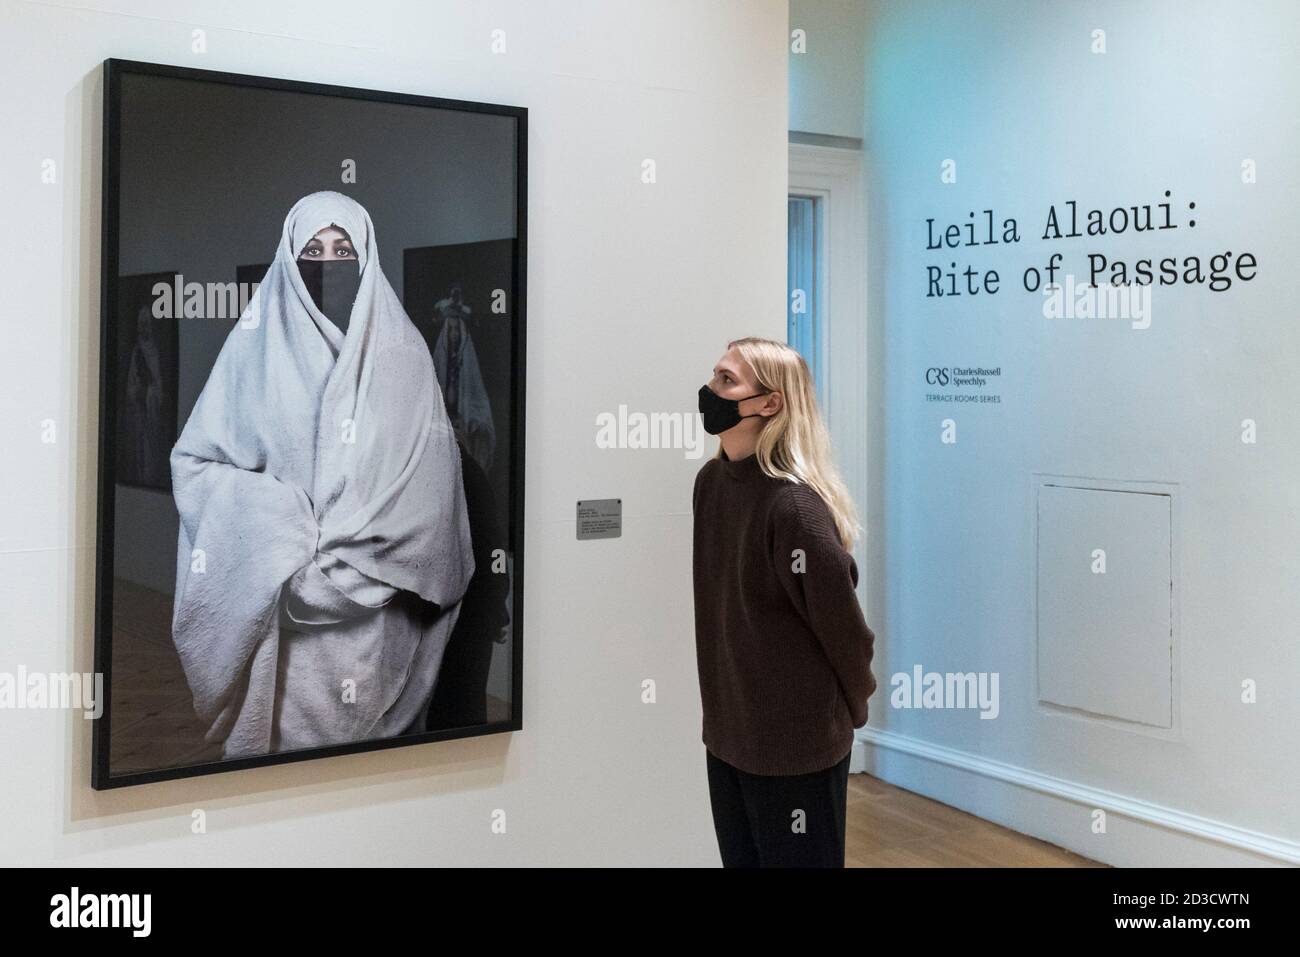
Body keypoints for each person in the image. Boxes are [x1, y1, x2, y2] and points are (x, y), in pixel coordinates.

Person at [169, 190, 475, 759]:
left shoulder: (404, 357)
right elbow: (194, 465)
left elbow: (432, 496)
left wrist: (357, 570)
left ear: (366, 257)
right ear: (288, 259)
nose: (328, 262)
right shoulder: (252, 354)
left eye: (342, 249)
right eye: (313, 248)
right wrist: (278, 526)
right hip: (282, 641)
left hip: (378, 625)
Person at [692, 336, 878, 867]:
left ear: (770, 403)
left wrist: (853, 706)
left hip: (796, 746)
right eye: (715, 376)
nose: (710, 390)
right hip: (729, 734)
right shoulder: (711, 483)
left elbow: (845, 632)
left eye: (727, 381)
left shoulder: (793, 506)